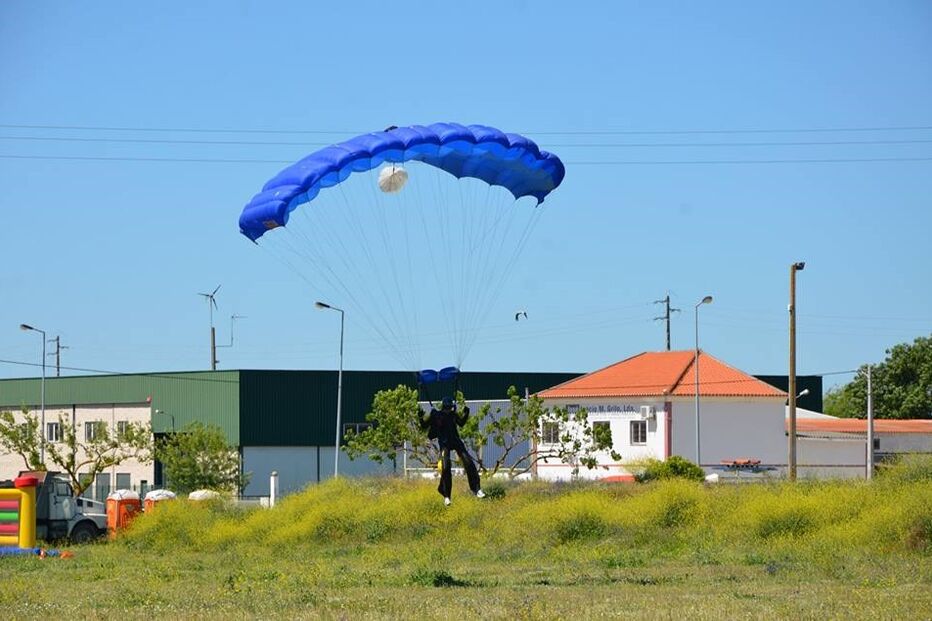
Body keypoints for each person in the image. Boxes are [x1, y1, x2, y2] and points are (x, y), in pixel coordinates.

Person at [421, 396, 484, 506]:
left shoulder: (453, 415)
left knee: (468, 462)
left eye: (449, 408)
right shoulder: (436, 415)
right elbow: (424, 425)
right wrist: (420, 417)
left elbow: (461, 423)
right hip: (444, 443)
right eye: (447, 408)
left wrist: (466, 413)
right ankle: (446, 495)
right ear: (444, 407)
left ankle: (476, 489)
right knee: (446, 467)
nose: (448, 410)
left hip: (455, 441)